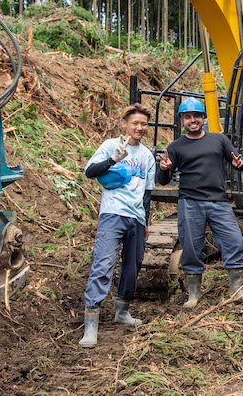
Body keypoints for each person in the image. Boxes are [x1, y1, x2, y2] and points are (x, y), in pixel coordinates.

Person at [156, 97, 243, 308]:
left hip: (218, 201)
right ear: (182, 119)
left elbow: (238, 163)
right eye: (188, 117)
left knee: (234, 241)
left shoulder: (219, 139)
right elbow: (162, 180)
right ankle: (193, 294)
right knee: (191, 247)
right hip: (190, 203)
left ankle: (238, 289)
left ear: (203, 118)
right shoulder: (175, 147)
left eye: (196, 116)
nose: (193, 120)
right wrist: (164, 169)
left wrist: (240, 164)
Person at [80, 103, 156, 348]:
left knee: (132, 268)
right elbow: (90, 171)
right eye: (135, 123)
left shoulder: (147, 155)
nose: (140, 127)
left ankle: (122, 311)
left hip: (137, 218)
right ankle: (91, 324)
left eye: (143, 124)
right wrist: (113, 159)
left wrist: (145, 220)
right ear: (124, 124)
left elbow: (147, 193)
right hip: (113, 215)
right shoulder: (110, 146)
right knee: (103, 264)